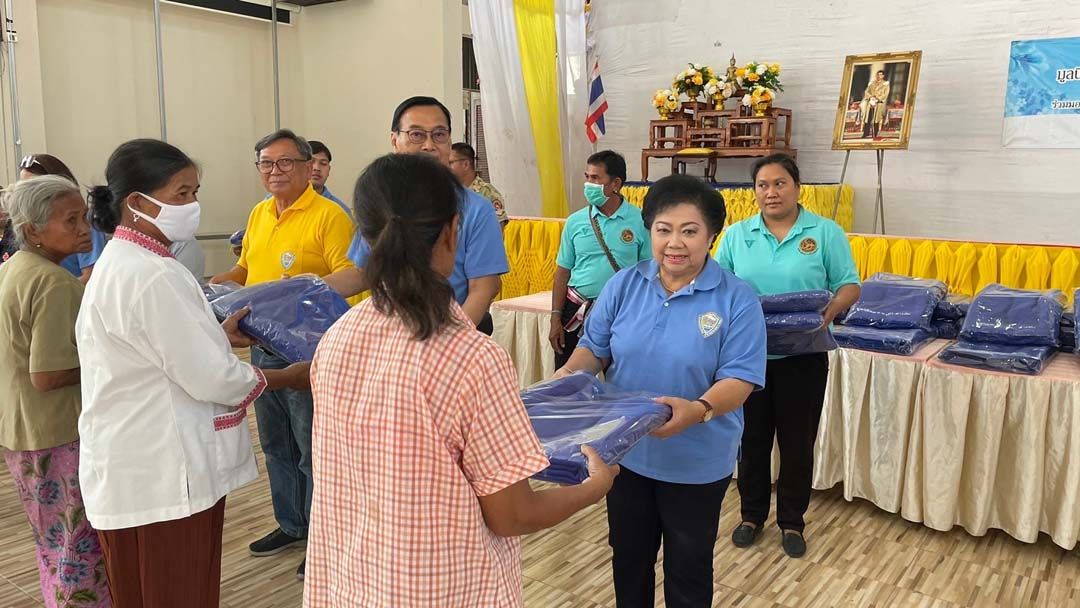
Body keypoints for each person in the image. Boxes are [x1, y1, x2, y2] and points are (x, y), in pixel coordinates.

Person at [304, 153, 617, 607]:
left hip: (352, 582)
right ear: (453, 232)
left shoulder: (338, 338)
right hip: (441, 587)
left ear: (364, 238)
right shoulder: (472, 358)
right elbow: (512, 514)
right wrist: (593, 488)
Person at [77, 139, 312, 607]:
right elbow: (214, 379)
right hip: (163, 470)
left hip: (133, 463)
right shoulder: (153, 274)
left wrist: (214, 335)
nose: (193, 206)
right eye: (181, 194)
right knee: (177, 589)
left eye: (194, 193)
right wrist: (291, 376)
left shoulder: (127, 262)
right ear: (138, 203)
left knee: (141, 590)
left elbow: (156, 347)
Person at [555, 174, 767, 608]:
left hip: (696, 461)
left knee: (688, 569)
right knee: (629, 559)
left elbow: (740, 378)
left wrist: (699, 409)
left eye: (689, 231)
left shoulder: (737, 299)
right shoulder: (624, 284)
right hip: (623, 453)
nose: (675, 243)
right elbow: (594, 350)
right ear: (649, 230)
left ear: (711, 235)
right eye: (663, 229)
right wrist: (568, 378)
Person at [210, 129, 355, 579]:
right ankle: (292, 524)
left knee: (312, 448)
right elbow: (247, 268)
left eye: (285, 162)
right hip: (261, 346)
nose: (275, 171)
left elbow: (351, 275)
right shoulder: (259, 212)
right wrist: (220, 284)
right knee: (276, 443)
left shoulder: (330, 216)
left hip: (307, 349)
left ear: (309, 167)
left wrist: (294, 295)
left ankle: (323, 539)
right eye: (266, 163)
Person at [714, 154, 860, 559]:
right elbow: (718, 287)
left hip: (804, 357)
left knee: (797, 444)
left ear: (797, 187)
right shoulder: (737, 235)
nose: (771, 192)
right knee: (751, 441)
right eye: (762, 185)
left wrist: (831, 310)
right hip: (747, 358)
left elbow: (849, 285)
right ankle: (751, 516)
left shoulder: (825, 233)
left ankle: (792, 521)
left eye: (779, 183)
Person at [0, 176, 111, 607]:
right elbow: (47, 375)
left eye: (84, 217)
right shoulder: (54, 283)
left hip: (22, 430)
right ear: (32, 230)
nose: (84, 229)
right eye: (71, 220)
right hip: (59, 433)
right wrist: (113, 359)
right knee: (78, 547)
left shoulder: (13, 268)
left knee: (53, 543)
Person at [322, 97, 508, 335]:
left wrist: (450, 342)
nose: (429, 145)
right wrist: (303, 289)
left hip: (452, 330)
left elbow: (483, 287)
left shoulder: (476, 208)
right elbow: (363, 273)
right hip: (389, 334)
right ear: (394, 140)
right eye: (417, 135)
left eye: (439, 135)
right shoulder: (381, 200)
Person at [550, 150, 650, 370]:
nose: (588, 184)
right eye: (587, 177)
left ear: (616, 183)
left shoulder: (640, 221)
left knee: (619, 377)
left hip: (622, 312)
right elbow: (562, 272)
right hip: (576, 310)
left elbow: (649, 273)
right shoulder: (575, 221)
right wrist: (555, 318)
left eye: (595, 178)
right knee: (567, 379)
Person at [18, 154, 107, 283]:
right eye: (23, 188)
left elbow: (92, 277)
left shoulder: (84, 225)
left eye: (36, 187)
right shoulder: (28, 224)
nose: (84, 229)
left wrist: (61, 287)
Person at [449, 142, 509, 226]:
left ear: (465, 164)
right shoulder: (449, 192)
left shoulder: (487, 193)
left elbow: (497, 228)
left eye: (450, 162)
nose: (446, 167)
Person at [308, 140, 350, 216]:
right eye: (311, 162)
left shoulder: (340, 210)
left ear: (329, 170)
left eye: (323, 163)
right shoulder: (286, 203)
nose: (316, 168)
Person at [860, 70, 890, 139]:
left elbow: (885, 94)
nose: (879, 76)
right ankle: (865, 133)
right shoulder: (871, 83)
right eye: (878, 74)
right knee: (868, 118)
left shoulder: (885, 84)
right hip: (870, 103)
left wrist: (877, 98)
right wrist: (870, 97)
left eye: (880, 75)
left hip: (878, 103)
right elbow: (866, 91)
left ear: (883, 76)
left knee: (876, 119)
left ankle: (875, 134)